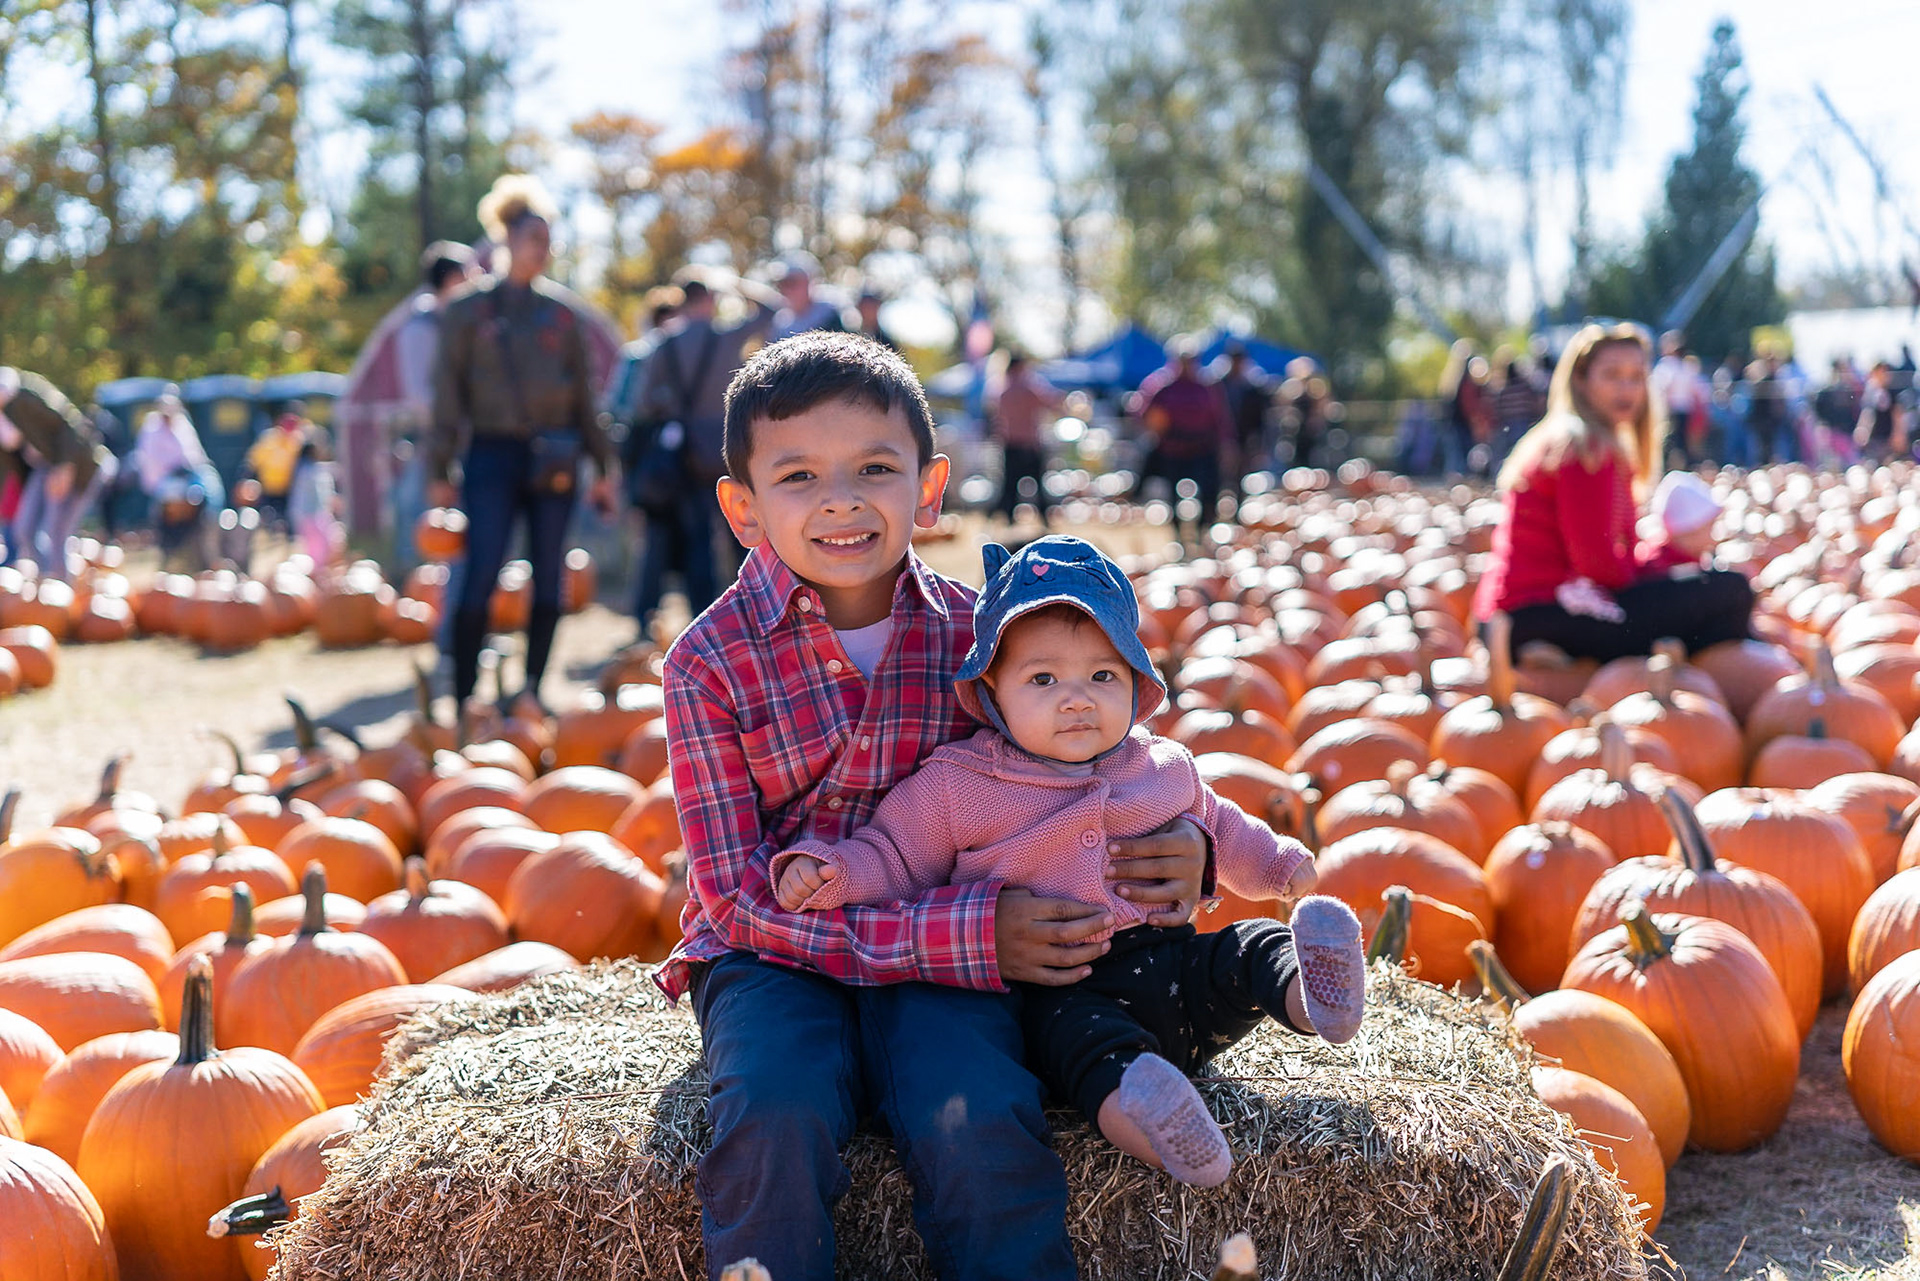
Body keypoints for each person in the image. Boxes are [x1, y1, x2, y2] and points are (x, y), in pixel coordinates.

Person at [661, 331, 1210, 1279]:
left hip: (947, 946)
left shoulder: (982, 637)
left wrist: (1192, 845)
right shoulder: (707, 664)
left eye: (875, 468)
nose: (841, 499)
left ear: (929, 487)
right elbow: (735, 899)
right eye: (799, 475)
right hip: (779, 954)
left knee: (978, 1111)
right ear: (743, 507)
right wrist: (962, 936)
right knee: (773, 1111)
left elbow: (1100, 765)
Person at [772, 535, 1365, 1188]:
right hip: (1067, 993)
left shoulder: (1162, 765)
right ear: (992, 689)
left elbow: (1222, 825)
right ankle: (1160, 1125)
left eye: (1102, 676)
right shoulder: (958, 785)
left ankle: (1315, 997)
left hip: (1178, 970)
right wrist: (834, 873)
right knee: (1090, 1059)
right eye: (1044, 679)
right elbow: (894, 853)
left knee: (1252, 947)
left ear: (1136, 682)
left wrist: (1278, 865)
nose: (1077, 699)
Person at [428, 174, 617, 708]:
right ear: (507, 239)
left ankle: (532, 689)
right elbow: (447, 395)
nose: (543, 249)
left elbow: (585, 398)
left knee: (550, 578)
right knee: (481, 573)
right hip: (490, 455)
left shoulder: (564, 314)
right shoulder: (467, 311)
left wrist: (604, 467)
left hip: (555, 457)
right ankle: (464, 697)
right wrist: (439, 469)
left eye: (548, 240)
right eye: (534, 238)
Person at [1473, 322, 1754, 665]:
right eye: (1612, 375)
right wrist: (1662, 575)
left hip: (1518, 614)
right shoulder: (1583, 447)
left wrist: (1663, 569)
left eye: (1636, 377)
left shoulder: (1571, 440)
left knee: (1701, 589)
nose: (1626, 388)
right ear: (1581, 380)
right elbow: (1599, 564)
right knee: (1731, 591)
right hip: (1539, 613)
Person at [628, 270, 782, 627]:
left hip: (686, 455)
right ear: (710, 298)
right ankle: (755, 610)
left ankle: (707, 617)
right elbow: (771, 309)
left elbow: (644, 403)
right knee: (743, 534)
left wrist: (674, 408)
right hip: (728, 449)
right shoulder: (726, 337)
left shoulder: (664, 343)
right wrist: (737, 284)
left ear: (681, 300)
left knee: (698, 540)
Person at [391, 241, 482, 570]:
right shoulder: (422, 326)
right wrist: (456, 419)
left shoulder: (463, 322)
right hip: (435, 439)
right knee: (426, 519)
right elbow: (419, 393)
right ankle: (417, 580)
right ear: (452, 279)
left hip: (467, 437)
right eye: (471, 271)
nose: (479, 276)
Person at [0, 365, 116, 579]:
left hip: (77, 465)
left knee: (55, 533)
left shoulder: (27, 396)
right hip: (45, 467)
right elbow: (13, 460)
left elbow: (67, 423)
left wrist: (65, 466)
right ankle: (45, 581)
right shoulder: (6, 416)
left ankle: (61, 585)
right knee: (24, 529)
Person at [1133, 338, 1232, 542]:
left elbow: (1220, 418)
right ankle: (1178, 534)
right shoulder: (1162, 386)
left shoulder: (1206, 387)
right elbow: (1144, 412)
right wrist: (1156, 427)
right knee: (1172, 495)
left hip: (1202, 448)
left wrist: (1226, 444)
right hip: (1172, 449)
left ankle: (1203, 531)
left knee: (1209, 491)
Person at [131, 385, 224, 569]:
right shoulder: (151, 429)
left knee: (211, 490)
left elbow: (194, 454)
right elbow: (150, 464)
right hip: (164, 482)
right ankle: (169, 553)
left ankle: (211, 539)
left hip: (188, 477)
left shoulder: (182, 424)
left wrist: (190, 471)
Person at [990, 352, 1064, 525]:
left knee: (1009, 484)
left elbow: (996, 416)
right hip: (1030, 443)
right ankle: (1044, 518)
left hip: (1010, 443)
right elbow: (1051, 403)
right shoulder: (1030, 386)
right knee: (1038, 483)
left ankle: (1009, 518)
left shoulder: (1002, 390)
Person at [1636, 470, 1721, 576]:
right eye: (1710, 526)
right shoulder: (1657, 568)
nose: (1715, 537)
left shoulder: (1694, 557)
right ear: (1690, 532)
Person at [1218, 344, 1273, 489]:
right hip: (1221, 438)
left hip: (1244, 437)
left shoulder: (1252, 388)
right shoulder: (1219, 386)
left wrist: (1259, 443)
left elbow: (1260, 418)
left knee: (1241, 476)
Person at [1438, 340, 1493, 476]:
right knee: (1461, 452)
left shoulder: (1450, 378)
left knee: (1456, 453)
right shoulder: (1464, 378)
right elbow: (1469, 403)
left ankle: (1457, 476)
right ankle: (1461, 476)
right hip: (1461, 422)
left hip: (1454, 422)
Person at [288, 439, 344, 570]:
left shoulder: (302, 469)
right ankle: (318, 572)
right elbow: (320, 496)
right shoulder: (310, 471)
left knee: (316, 547)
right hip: (313, 517)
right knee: (319, 549)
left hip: (308, 516)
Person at [769, 254, 847, 342]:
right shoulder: (781, 323)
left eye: (793, 283)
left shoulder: (830, 317)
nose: (786, 290)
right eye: (782, 284)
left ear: (809, 282)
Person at [1856, 361, 1911, 463]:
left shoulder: (1893, 392)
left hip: (1888, 437)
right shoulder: (1870, 393)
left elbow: (1897, 413)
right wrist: (1862, 430)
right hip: (1875, 437)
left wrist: (1898, 434)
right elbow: (1867, 414)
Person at [854, 287, 899, 352]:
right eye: (865, 306)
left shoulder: (887, 342)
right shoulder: (851, 333)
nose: (868, 310)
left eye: (871, 306)